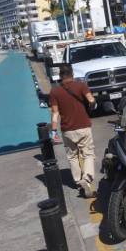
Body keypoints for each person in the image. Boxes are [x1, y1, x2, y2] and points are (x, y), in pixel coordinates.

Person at [50, 64, 98, 198]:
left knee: (72, 156)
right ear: (72, 74)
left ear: (60, 76)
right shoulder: (81, 85)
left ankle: (78, 181)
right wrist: (92, 105)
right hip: (83, 126)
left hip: (67, 130)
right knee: (88, 154)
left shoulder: (55, 92)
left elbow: (55, 113)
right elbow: (91, 100)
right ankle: (86, 179)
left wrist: (53, 132)